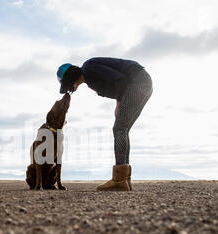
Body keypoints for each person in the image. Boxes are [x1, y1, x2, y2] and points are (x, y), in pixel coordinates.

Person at [57, 57, 153, 191]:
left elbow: (120, 80)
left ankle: (119, 180)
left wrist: (119, 103)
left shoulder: (89, 68)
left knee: (119, 129)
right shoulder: (89, 79)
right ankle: (124, 179)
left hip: (137, 82)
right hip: (142, 83)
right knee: (123, 129)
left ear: (69, 77)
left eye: (65, 84)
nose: (67, 88)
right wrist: (119, 103)